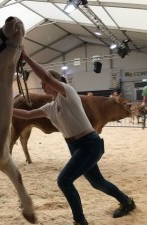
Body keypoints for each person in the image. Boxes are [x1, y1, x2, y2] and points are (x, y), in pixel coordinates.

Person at [12, 50, 136, 225]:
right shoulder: (50, 107)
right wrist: (4, 108)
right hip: (76, 147)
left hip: (89, 144)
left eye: (44, 83)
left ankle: (80, 221)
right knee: (97, 183)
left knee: (64, 180)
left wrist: (25, 57)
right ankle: (127, 202)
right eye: (41, 83)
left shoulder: (68, 94)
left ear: (55, 83)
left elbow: (47, 77)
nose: (42, 85)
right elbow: (26, 115)